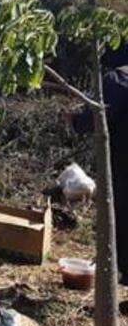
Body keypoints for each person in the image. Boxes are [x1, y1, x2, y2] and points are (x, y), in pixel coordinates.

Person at [72, 65, 128, 290]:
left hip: (124, 170)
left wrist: (74, 120)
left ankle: (111, 289)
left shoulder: (117, 79)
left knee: (121, 226)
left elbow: (92, 120)